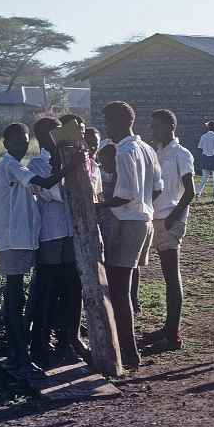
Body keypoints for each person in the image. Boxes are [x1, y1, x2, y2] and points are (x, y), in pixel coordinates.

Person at [0, 123, 70, 376]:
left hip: (24, 238)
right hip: (13, 238)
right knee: (14, 296)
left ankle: (22, 351)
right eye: (16, 142)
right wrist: (70, 166)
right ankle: (19, 355)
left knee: (21, 295)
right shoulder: (10, 165)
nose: (21, 145)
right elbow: (47, 183)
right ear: (5, 144)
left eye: (24, 141)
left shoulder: (19, 166)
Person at [96, 101, 163, 369]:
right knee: (124, 288)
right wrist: (142, 204)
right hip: (143, 221)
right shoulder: (146, 148)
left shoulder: (125, 151)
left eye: (109, 122)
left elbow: (125, 195)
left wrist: (97, 205)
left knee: (118, 291)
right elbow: (156, 189)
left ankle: (128, 350)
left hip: (126, 222)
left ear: (122, 122)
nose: (107, 128)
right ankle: (127, 348)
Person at [139, 109, 195, 353]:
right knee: (166, 276)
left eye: (157, 126)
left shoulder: (182, 154)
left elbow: (190, 192)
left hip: (171, 219)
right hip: (158, 217)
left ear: (171, 127)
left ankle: (173, 335)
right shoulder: (158, 152)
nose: (153, 131)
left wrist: (173, 217)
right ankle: (167, 328)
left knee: (172, 276)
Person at [27, 118, 80, 367]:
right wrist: (62, 168)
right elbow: (54, 193)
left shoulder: (68, 158)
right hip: (50, 231)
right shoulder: (37, 163)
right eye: (53, 134)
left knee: (70, 286)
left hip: (70, 230)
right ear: (43, 137)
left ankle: (66, 340)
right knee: (48, 288)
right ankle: (41, 342)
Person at [196, 120, 214, 201]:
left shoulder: (203, 136)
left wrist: (203, 158)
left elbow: (200, 148)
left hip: (205, 158)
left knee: (204, 177)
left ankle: (198, 192)